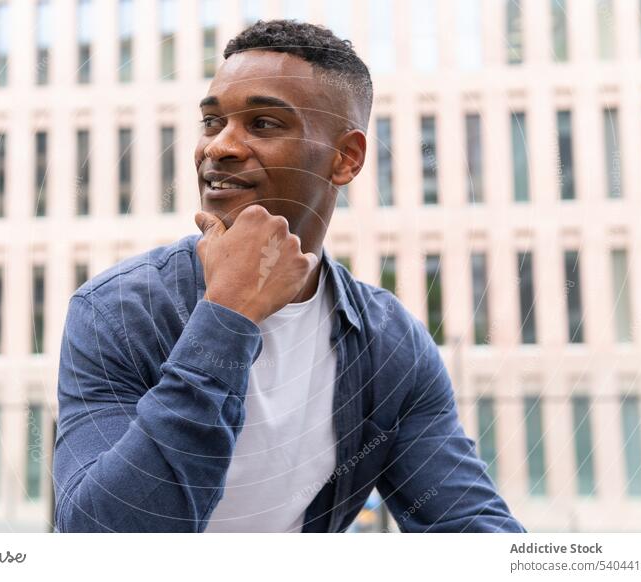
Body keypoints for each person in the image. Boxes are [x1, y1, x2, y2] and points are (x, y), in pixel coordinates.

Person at [53, 19, 526, 533]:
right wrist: (227, 316)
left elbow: (468, 525)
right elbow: (101, 538)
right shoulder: (118, 311)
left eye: (263, 124)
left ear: (345, 159)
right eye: (213, 122)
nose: (219, 147)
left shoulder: (391, 346)